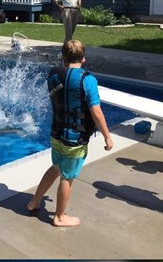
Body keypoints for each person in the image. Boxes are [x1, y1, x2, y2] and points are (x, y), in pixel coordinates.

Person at [26, 40, 113, 227]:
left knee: (56, 167)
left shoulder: (53, 75)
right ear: (83, 58)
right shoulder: (87, 79)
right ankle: (59, 217)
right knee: (68, 177)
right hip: (75, 139)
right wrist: (107, 135)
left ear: (63, 58)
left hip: (56, 134)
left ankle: (34, 202)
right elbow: (96, 111)